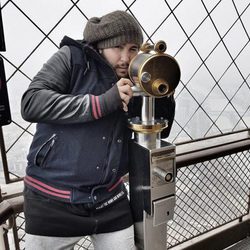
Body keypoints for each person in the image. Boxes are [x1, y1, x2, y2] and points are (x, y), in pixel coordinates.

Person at [21, 10, 175, 250]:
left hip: (108, 198)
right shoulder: (72, 58)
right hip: (52, 200)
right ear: (101, 46)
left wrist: (162, 90)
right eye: (118, 48)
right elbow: (31, 103)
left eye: (133, 48)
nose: (126, 58)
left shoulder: (133, 78)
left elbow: (159, 131)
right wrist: (102, 102)